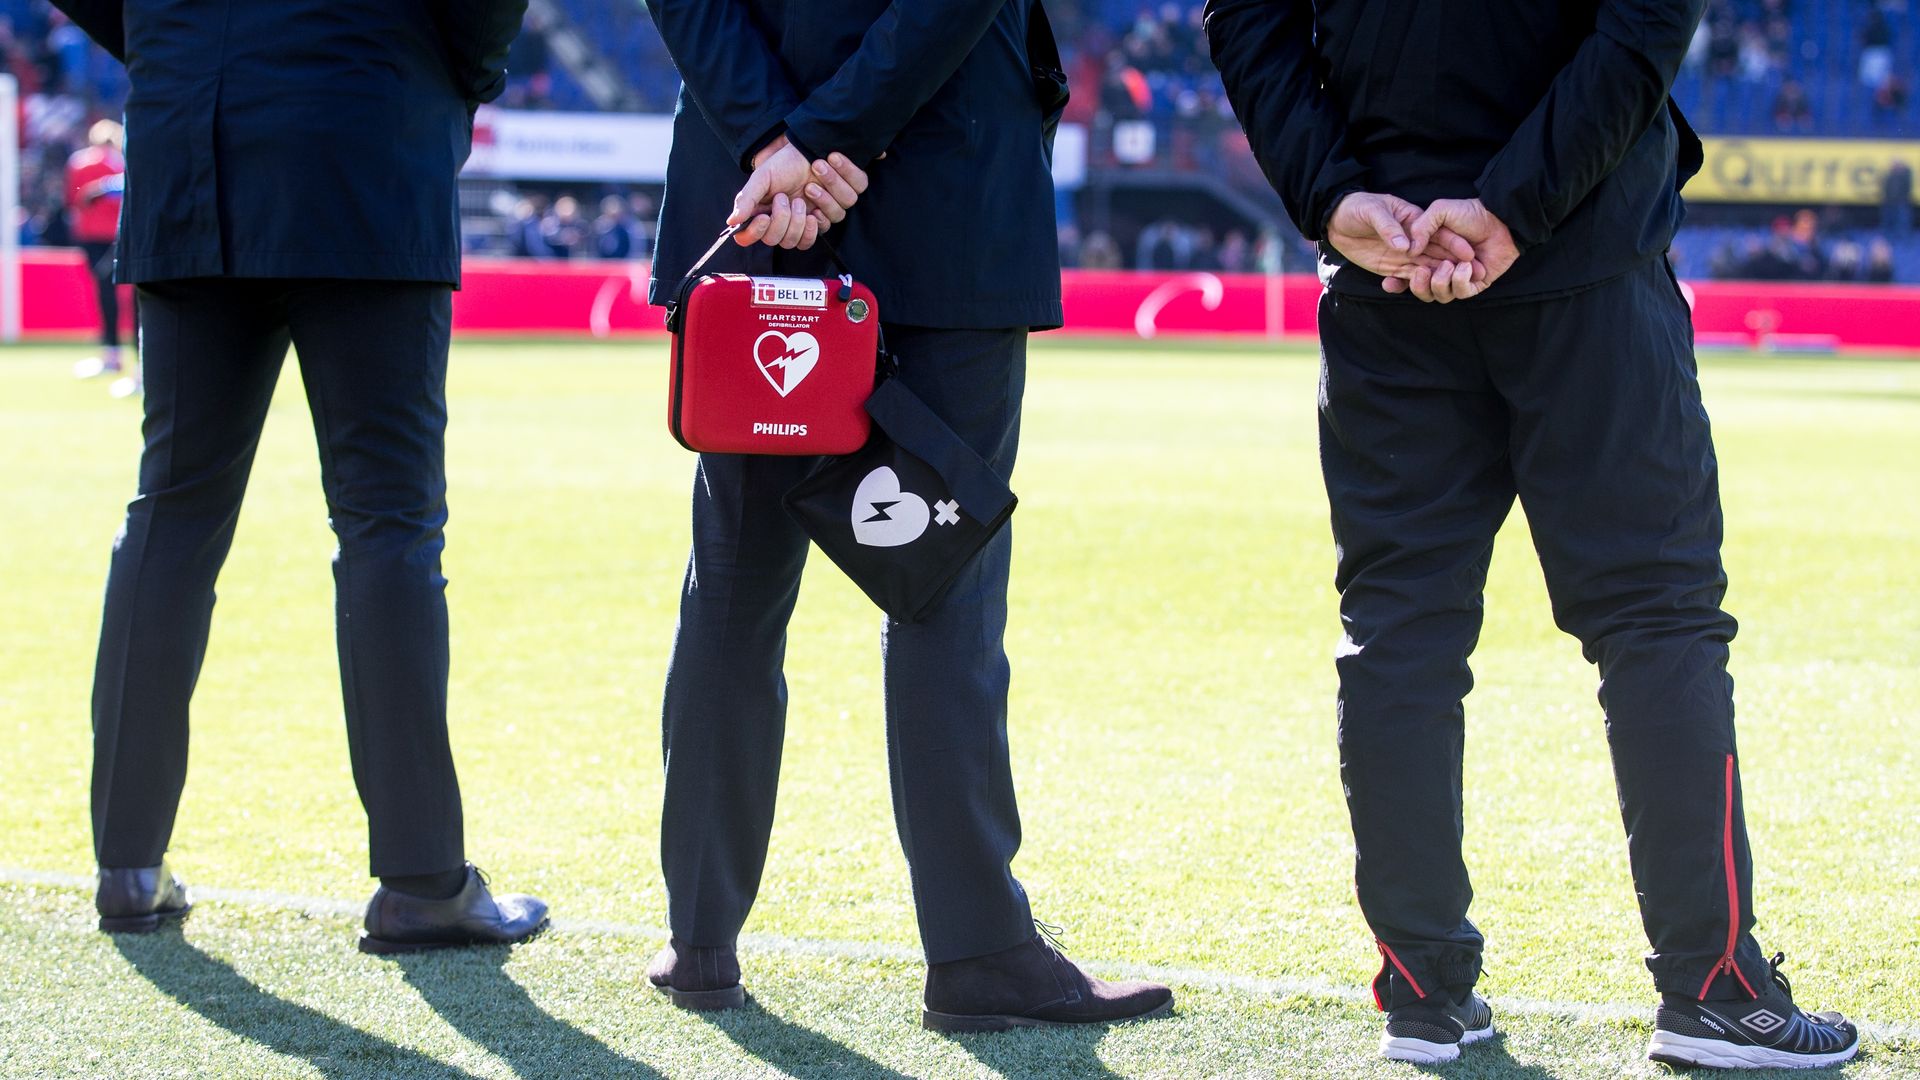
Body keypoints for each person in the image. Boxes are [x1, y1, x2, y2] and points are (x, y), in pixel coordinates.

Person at [1207, 0, 1861, 1069]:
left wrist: (1335, 198)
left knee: (1401, 631)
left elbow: (1246, 15)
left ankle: (1421, 990)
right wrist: (1509, 208)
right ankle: (1711, 987)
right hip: (1583, 264)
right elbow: (1645, 17)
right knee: (1656, 619)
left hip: (1389, 270)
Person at [643, 0, 1173, 1031]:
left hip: (759, 199)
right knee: (944, 594)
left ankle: (702, 940)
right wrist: (817, 141)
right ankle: (977, 951)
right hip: (942, 203)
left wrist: (776, 142)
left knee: (736, 588)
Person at [52, 0, 547, 953]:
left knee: (172, 512)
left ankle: (128, 865)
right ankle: (421, 881)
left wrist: (175, 36)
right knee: (390, 525)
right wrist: (458, 71)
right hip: (367, 129)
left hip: (195, 138)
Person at [64, 118, 132, 390]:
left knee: (105, 293)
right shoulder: (120, 162)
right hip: (120, 234)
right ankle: (136, 362)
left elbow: (72, 199)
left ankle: (112, 353)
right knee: (136, 297)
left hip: (90, 236)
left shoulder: (79, 162)